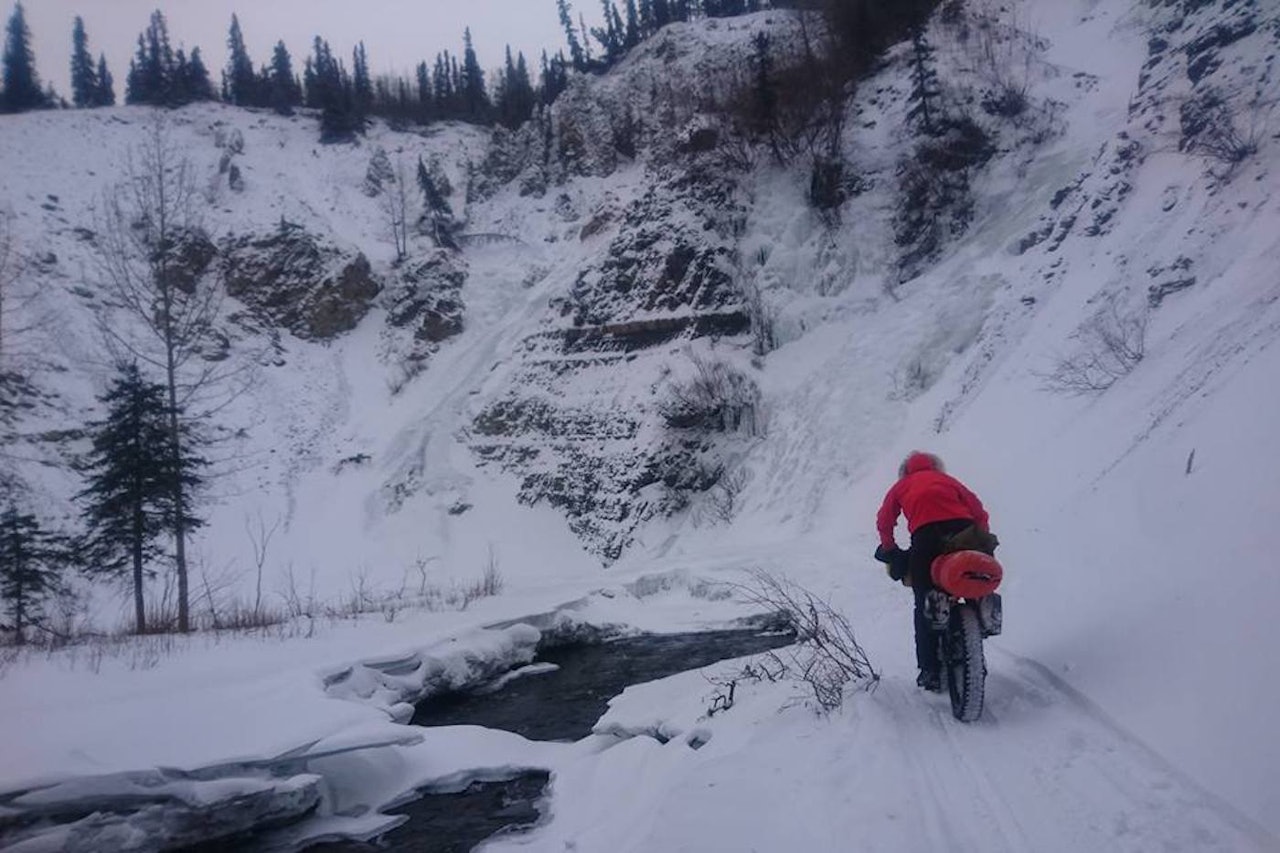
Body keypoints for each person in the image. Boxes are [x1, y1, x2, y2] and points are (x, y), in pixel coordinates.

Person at [874, 451, 991, 692]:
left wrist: (890, 549)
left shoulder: (901, 486)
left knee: (923, 598)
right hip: (965, 531)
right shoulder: (949, 481)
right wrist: (983, 543)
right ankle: (982, 608)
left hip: (926, 538)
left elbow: (884, 521)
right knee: (972, 576)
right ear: (936, 466)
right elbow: (978, 510)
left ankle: (930, 671)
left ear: (905, 470)